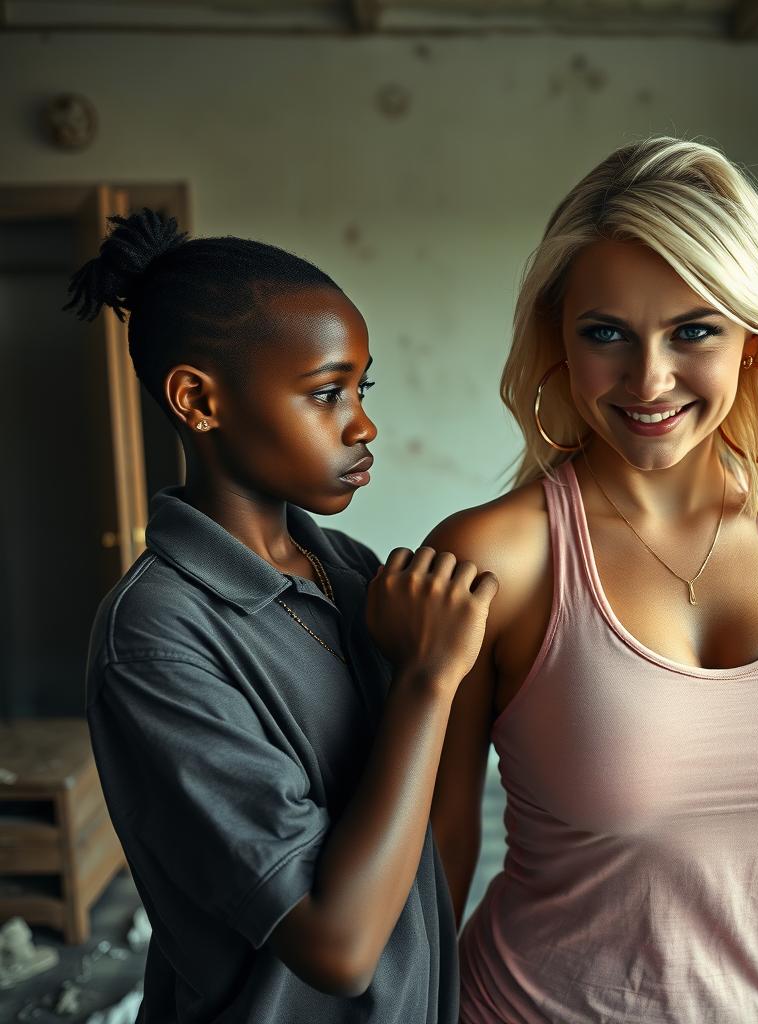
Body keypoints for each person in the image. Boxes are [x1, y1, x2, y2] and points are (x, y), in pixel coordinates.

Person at [427, 137, 758, 1023]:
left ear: (753, 336)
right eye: (606, 333)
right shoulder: (498, 559)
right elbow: (441, 843)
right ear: (558, 341)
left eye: (694, 331)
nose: (649, 379)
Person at [67, 210, 498, 1024]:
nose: (363, 424)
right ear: (198, 400)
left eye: (362, 389)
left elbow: (418, 843)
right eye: (327, 392)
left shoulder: (349, 569)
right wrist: (426, 680)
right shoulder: (156, 640)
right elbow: (337, 949)